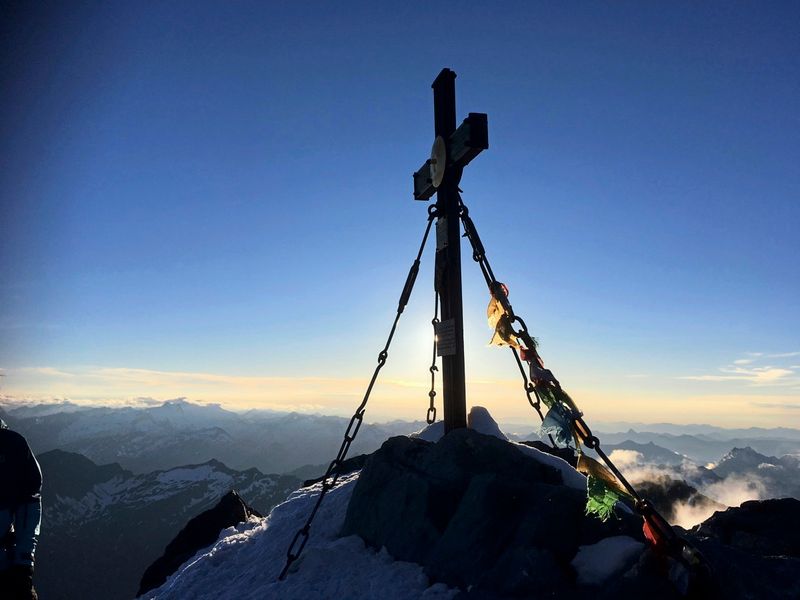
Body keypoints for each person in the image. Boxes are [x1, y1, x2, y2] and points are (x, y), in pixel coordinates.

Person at [0, 418, 42, 600]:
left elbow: (29, 503)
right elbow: (29, 506)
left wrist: (23, 563)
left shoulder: (11, 445)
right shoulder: (12, 445)